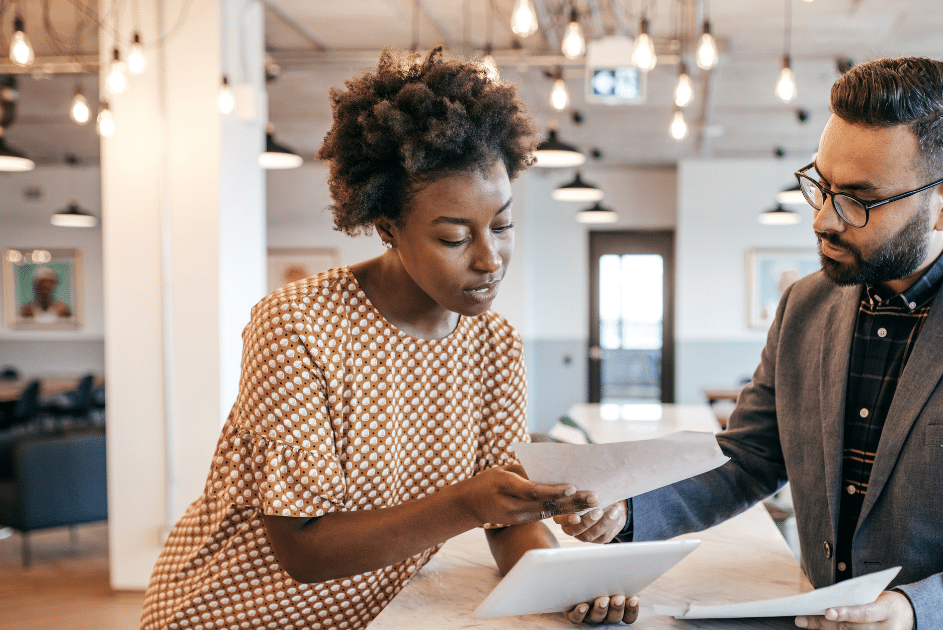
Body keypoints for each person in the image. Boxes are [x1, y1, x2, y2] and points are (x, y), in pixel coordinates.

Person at [558, 57, 943, 630]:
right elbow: (752, 458)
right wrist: (629, 514)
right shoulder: (805, 305)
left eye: (860, 199)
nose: (823, 220)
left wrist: (920, 612)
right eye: (822, 185)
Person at [140, 48, 637, 629]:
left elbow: (507, 517)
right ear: (387, 228)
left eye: (502, 226)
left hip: (375, 616)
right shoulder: (298, 326)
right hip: (231, 614)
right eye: (454, 238)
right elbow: (303, 547)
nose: (489, 259)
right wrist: (468, 502)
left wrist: (565, 583)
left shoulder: (495, 344)